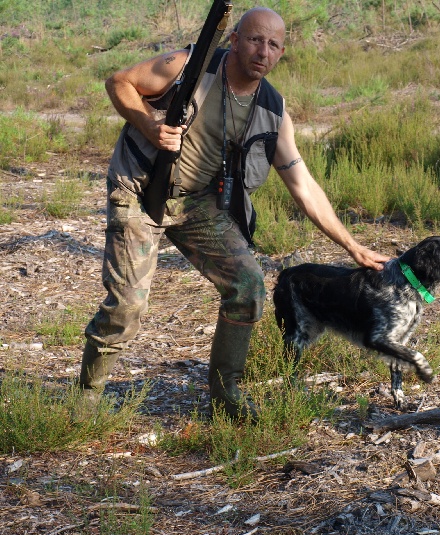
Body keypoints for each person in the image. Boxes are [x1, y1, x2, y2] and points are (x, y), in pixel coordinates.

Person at [77, 7, 389, 420]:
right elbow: (119, 82)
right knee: (126, 306)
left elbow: (303, 185)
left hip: (196, 203)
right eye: (256, 39)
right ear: (235, 40)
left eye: (273, 45)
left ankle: (227, 394)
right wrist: (150, 123)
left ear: (281, 53)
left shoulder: (272, 110)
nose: (263, 51)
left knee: (247, 285)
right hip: (138, 190)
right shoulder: (188, 65)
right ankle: (86, 397)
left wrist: (353, 247)